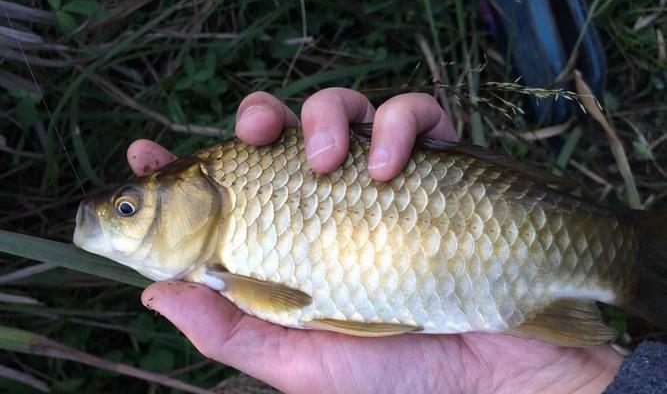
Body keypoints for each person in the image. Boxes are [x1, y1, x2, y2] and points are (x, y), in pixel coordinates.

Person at [127, 88, 663, 393]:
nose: (125, 220)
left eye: (129, 209)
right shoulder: (224, 274)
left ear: (200, 195)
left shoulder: (232, 248)